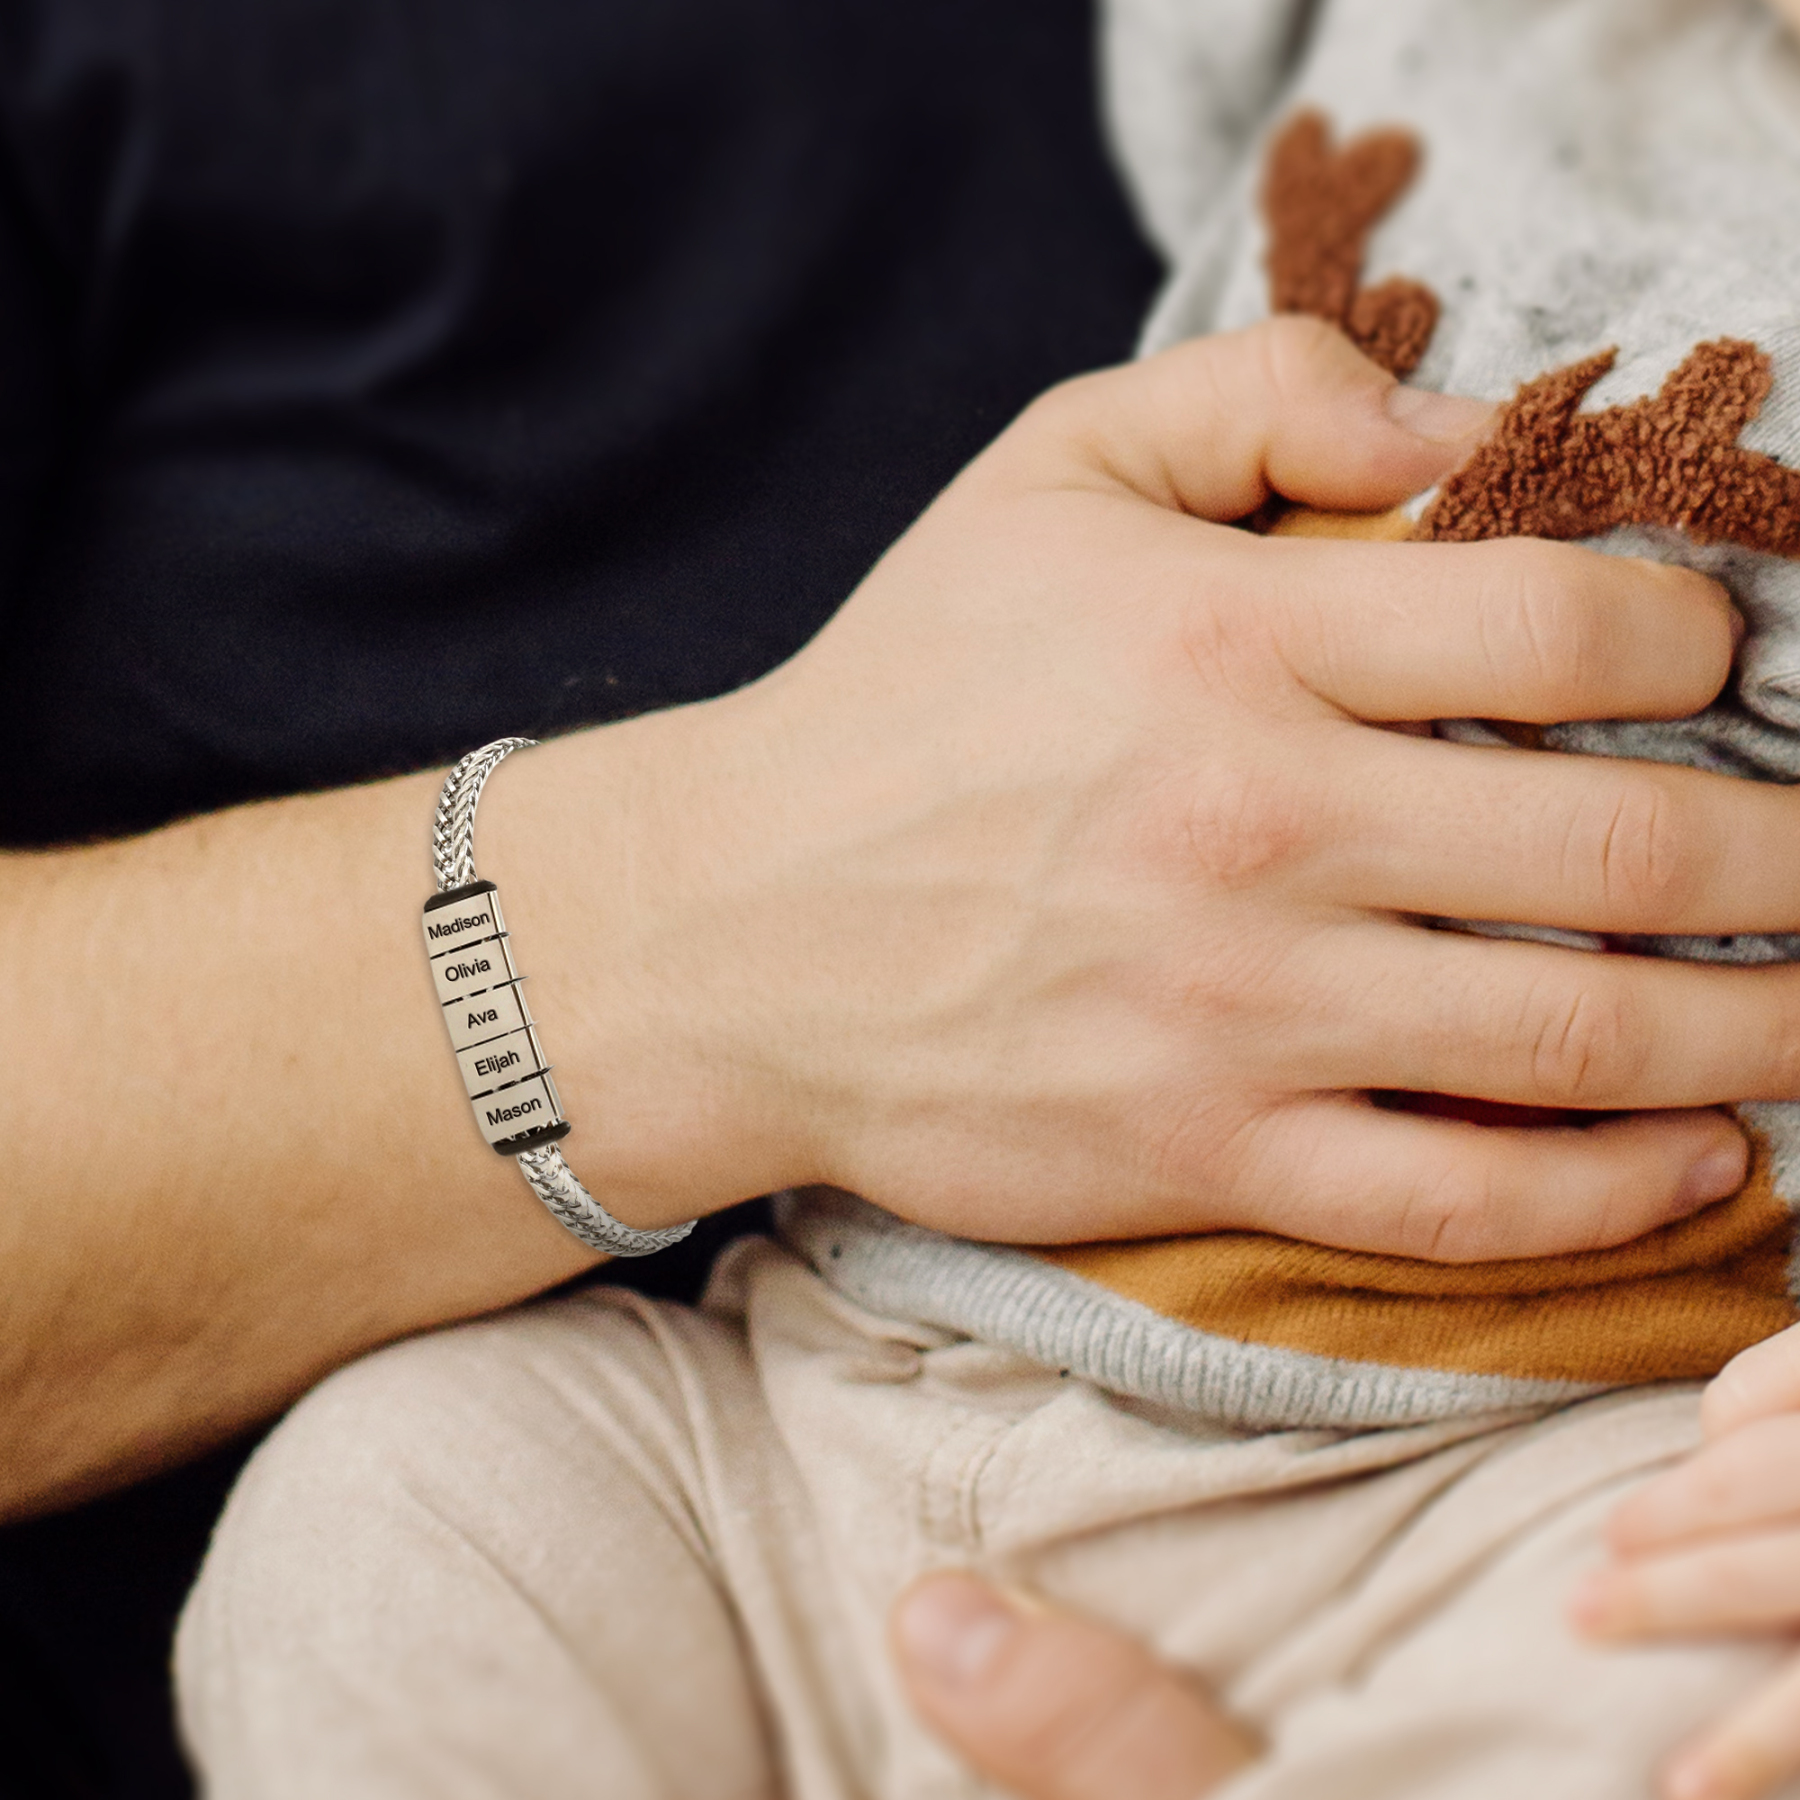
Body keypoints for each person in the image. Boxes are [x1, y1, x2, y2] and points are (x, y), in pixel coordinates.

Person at [10, 0, 1800, 1793]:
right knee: (403, 1490)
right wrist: (684, 920)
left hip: (1543, 1481)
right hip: (822, 1397)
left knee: (1706, 1671)